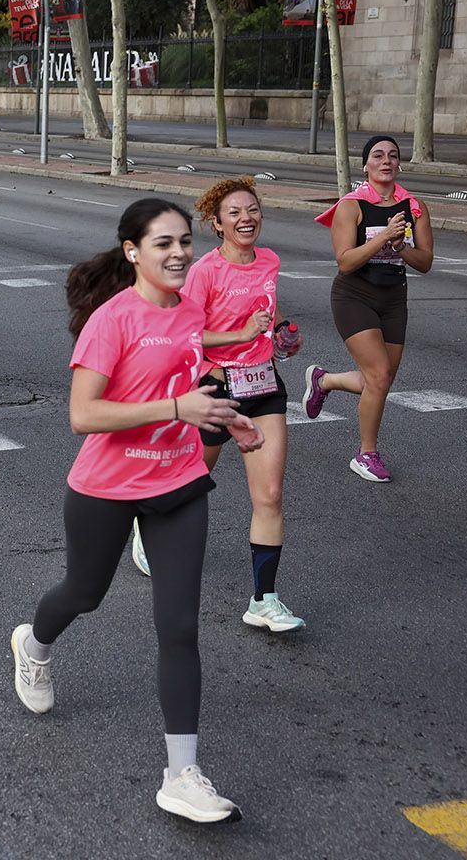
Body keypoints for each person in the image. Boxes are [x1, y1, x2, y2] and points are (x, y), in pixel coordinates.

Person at [9, 198, 258, 825]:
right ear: (132, 253)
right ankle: (34, 644)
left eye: (184, 242)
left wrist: (227, 417)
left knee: (179, 626)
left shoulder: (194, 311)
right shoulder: (111, 320)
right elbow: (82, 416)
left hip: (177, 481)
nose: (178, 253)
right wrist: (176, 411)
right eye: (162, 243)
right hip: (106, 485)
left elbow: (191, 384)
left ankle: (181, 774)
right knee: (84, 593)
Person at [174, 176, 305, 632]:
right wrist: (241, 335)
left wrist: (282, 332)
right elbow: (186, 333)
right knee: (191, 480)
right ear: (217, 223)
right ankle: (144, 527)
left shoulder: (269, 260)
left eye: (252, 209)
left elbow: (265, 311)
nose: (246, 218)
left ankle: (263, 599)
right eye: (234, 212)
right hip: (217, 387)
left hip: (265, 384)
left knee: (269, 494)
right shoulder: (205, 271)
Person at [302, 136, 435, 483]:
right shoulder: (351, 205)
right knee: (377, 376)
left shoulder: (414, 206)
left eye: (392, 155)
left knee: (381, 380)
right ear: (366, 165)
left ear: (400, 164)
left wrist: (401, 246)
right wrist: (380, 238)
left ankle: (324, 380)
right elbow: (345, 262)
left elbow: (425, 262)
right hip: (354, 296)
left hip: (394, 299)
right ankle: (366, 454)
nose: (386, 161)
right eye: (378, 155)